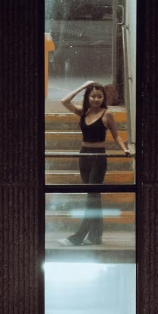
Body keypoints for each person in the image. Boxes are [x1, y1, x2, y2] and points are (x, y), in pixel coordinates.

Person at [58, 80, 131, 246]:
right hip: (84, 156)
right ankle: (95, 237)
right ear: (88, 97)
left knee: (92, 198)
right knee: (94, 197)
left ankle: (77, 238)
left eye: (99, 96)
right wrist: (84, 85)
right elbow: (64, 101)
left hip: (98, 157)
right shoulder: (83, 112)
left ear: (103, 98)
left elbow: (116, 135)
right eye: (93, 96)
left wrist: (124, 149)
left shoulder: (107, 114)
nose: (96, 99)